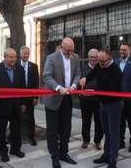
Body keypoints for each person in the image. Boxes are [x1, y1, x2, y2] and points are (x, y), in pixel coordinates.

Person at [79, 49, 123, 168]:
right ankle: (106, 155)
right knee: (106, 131)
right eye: (99, 60)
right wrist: (85, 79)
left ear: (109, 59)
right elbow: (93, 73)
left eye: (102, 61)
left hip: (114, 105)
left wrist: (94, 92)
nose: (100, 64)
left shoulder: (116, 71)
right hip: (103, 104)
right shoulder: (100, 65)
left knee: (113, 133)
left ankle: (113, 160)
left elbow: (110, 90)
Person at [43, 37, 81, 168]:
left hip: (67, 99)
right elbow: (47, 76)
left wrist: (74, 86)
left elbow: (77, 73)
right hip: (53, 99)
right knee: (53, 130)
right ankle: (55, 156)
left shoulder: (75, 57)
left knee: (66, 129)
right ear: (62, 47)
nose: (70, 53)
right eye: (68, 51)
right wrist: (59, 88)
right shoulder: (51, 58)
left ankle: (64, 153)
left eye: (72, 51)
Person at [0, 48, 26, 162]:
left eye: (14, 57)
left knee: (16, 130)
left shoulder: (20, 69)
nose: (13, 59)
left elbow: (23, 87)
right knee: (1, 131)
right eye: (10, 57)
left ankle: (15, 149)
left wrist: (23, 103)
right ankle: (3, 152)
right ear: (5, 57)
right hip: (0, 106)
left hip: (16, 106)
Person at [79, 49, 103, 150]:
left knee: (99, 122)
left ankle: (97, 141)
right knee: (86, 121)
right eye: (91, 57)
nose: (93, 59)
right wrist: (82, 91)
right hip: (85, 100)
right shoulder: (83, 68)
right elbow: (78, 82)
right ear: (88, 58)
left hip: (98, 101)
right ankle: (86, 140)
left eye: (95, 57)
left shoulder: (101, 68)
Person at [20, 46, 40, 146]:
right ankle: (14, 137)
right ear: (20, 54)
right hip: (18, 98)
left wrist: (36, 97)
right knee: (16, 118)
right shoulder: (16, 66)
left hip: (30, 97)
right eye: (24, 53)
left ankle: (31, 137)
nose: (26, 55)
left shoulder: (34, 66)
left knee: (30, 118)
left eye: (28, 53)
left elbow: (36, 82)